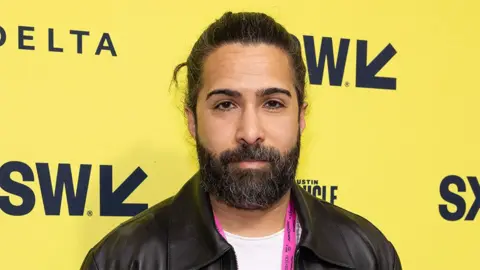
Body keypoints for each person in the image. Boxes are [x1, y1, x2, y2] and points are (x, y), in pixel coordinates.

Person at [80, 11, 402, 270]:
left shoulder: (366, 256)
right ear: (191, 120)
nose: (249, 132)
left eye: (273, 103)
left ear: (301, 117)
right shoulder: (121, 260)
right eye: (225, 104)